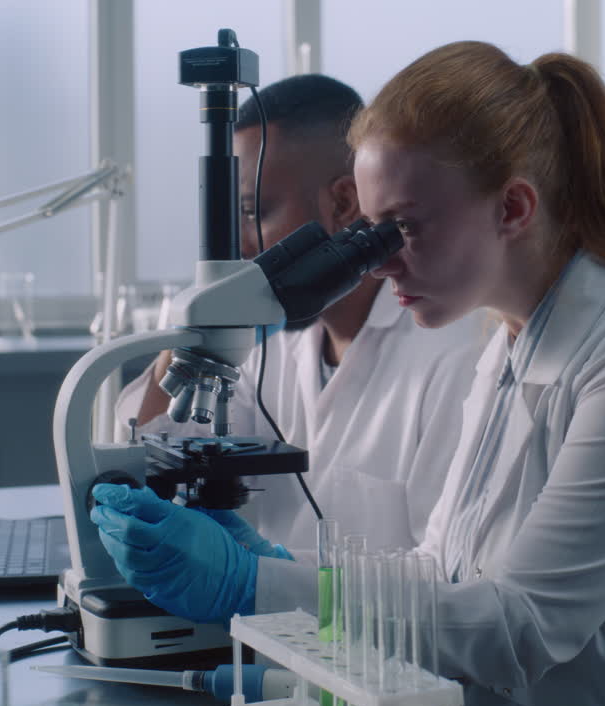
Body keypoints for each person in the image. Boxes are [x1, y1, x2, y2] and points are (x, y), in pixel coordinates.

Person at [91, 44, 605, 706]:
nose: (381, 259)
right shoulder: (510, 341)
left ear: (514, 208)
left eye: (404, 227)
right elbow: (440, 574)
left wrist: (250, 586)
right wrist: (281, 568)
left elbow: (517, 632)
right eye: (368, 233)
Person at [113, 73, 484, 556]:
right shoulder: (272, 346)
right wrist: (184, 341)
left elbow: (448, 574)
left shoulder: (454, 352)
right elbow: (155, 451)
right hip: (277, 628)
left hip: (378, 629)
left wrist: (260, 584)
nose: (242, 245)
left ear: (343, 203)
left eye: (253, 212)